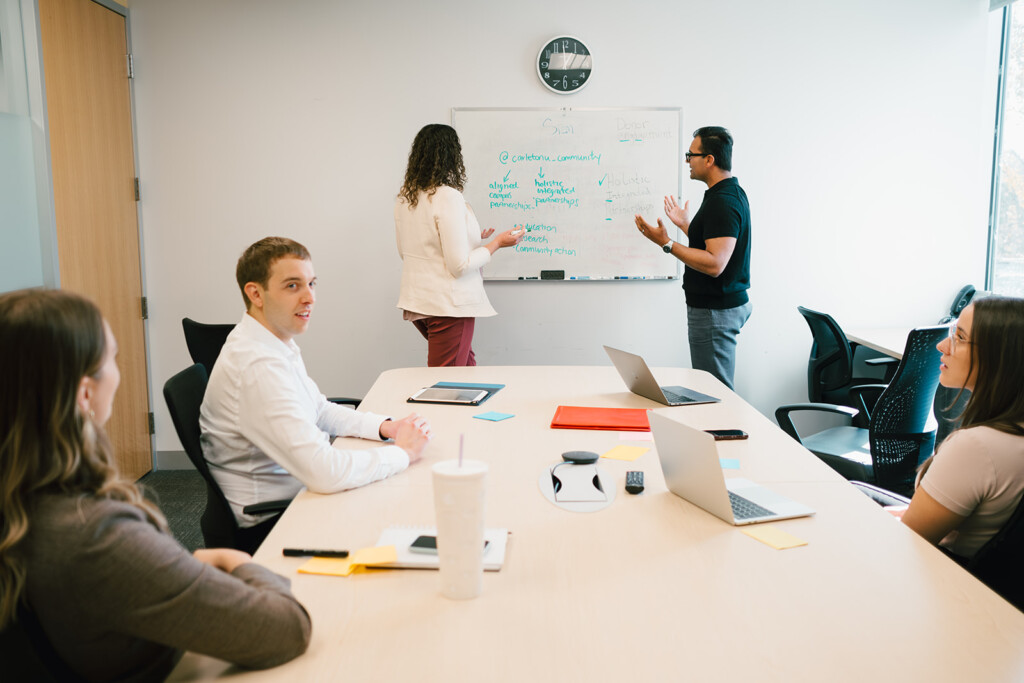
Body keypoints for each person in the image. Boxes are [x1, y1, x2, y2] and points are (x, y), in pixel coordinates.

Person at [0, 289, 311, 681]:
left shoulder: (23, 505)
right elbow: (285, 628)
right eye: (112, 359)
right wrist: (239, 562)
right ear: (84, 394)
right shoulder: (95, 534)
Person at [201, 237, 431, 530]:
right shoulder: (256, 366)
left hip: (305, 492)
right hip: (279, 520)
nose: (310, 298)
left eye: (312, 284)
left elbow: (318, 409)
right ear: (256, 294)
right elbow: (325, 473)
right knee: (413, 513)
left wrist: (385, 427)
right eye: (293, 286)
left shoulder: (272, 341)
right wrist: (403, 453)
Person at [901, 296, 1024, 559]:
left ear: (1000, 356)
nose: (942, 345)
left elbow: (908, 543)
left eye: (960, 337)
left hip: (941, 583)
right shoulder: (1011, 434)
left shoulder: (976, 447)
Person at [395, 123, 523, 366]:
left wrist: (474, 238)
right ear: (452, 156)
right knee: (447, 384)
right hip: (448, 305)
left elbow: (409, 250)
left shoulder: (406, 197)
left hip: (421, 304)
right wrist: (496, 243)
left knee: (466, 371)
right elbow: (459, 266)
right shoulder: (448, 196)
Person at [634, 126, 752, 390]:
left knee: (715, 391)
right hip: (716, 308)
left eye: (691, 154)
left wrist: (666, 243)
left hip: (715, 311)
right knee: (710, 387)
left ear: (709, 159)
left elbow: (715, 263)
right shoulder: (725, 194)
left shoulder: (724, 201)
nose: (687, 161)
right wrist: (688, 226)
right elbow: (715, 244)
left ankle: (723, 432)